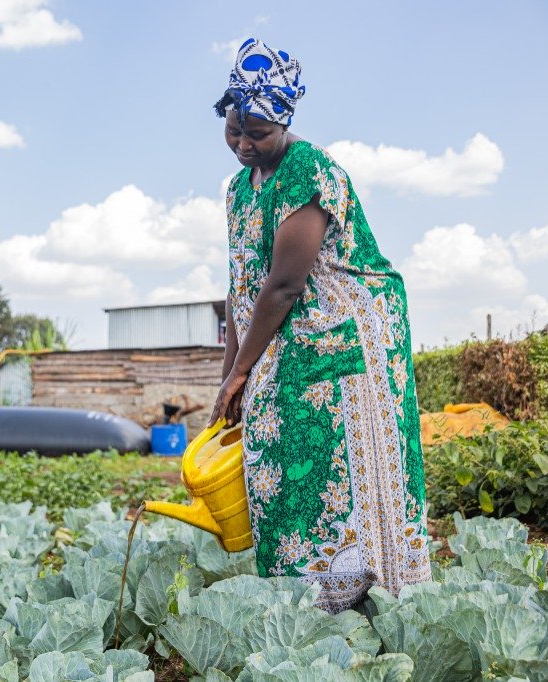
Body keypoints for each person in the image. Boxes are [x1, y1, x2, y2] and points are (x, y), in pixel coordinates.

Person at [207, 38, 431, 612]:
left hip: (349, 330)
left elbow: (283, 284)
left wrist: (241, 374)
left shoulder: (309, 168)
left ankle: (373, 587)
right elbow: (242, 287)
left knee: (340, 451)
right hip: (286, 326)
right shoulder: (238, 190)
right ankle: (302, 592)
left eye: (257, 132)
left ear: (284, 121)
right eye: (235, 128)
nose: (243, 144)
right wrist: (229, 372)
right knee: (272, 440)